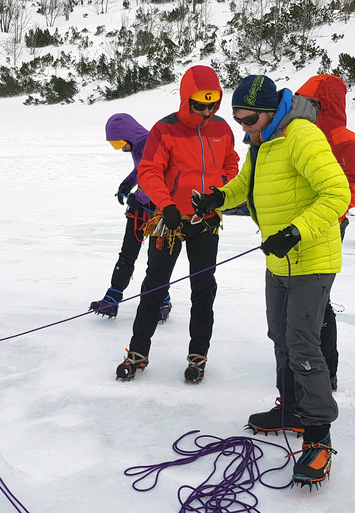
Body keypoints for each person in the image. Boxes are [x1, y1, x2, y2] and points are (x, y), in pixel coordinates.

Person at [192, 75, 350, 487]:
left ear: (269, 110)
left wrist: (296, 231)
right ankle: (291, 409)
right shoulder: (263, 140)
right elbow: (246, 184)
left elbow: (337, 194)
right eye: (237, 119)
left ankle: (318, 436)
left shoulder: (302, 136)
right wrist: (217, 198)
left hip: (311, 257)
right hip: (279, 259)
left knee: (301, 340)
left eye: (248, 119)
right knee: (278, 334)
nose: (243, 128)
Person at [114, 65, 239, 384]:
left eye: (213, 104)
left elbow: (231, 165)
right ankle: (137, 353)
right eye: (200, 104)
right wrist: (165, 203)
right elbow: (149, 171)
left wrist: (219, 191)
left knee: (203, 289)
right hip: (167, 221)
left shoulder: (222, 129)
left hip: (205, 220)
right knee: (153, 286)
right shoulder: (165, 130)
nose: (207, 110)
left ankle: (199, 356)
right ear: (186, 99)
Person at [296, 74, 355, 392]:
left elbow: (348, 194)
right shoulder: (302, 136)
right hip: (297, 226)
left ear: (325, 105)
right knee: (297, 296)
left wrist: (317, 218)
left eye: (310, 103)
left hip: (326, 227)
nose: (303, 109)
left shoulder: (346, 141)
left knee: (317, 299)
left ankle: (327, 369)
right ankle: (306, 361)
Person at [88, 113, 172, 321]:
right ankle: (113, 298)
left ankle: (163, 301)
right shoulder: (137, 146)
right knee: (127, 253)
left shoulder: (153, 142)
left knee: (157, 258)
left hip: (160, 208)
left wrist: (139, 196)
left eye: (118, 143)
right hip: (141, 207)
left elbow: (161, 176)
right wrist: (126, 184)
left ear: (128, 135)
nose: (120, 149)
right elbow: (140, 170)